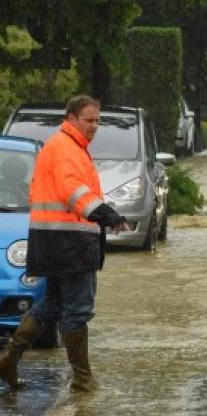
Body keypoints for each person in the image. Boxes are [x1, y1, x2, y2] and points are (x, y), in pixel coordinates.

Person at [0, 95, 128, 392]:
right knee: (78, 310)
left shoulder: (67, 146)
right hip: (70, 244)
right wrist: (107, 215)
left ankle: (8, 359)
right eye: (89, 120)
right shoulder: (66, 148)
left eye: (98, 121)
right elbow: (75, 191)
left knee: (51, 305)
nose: (95, 126)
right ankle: (82, 380)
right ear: (70, 118)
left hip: (56, 242)